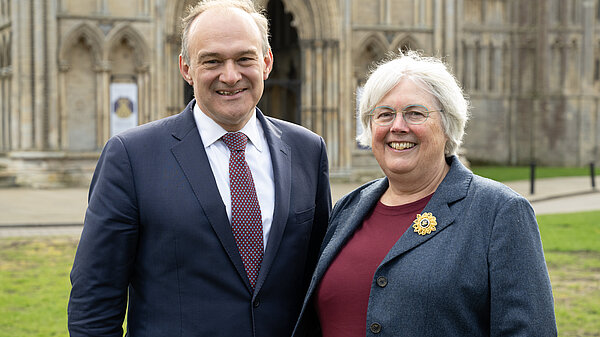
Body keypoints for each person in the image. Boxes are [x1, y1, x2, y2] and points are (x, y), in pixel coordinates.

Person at [68, 0, 331, 336]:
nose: (231, 75)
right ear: (186, 68)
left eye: (244, 58)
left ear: (266, 62)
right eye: (212, 61)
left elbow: (320, 282)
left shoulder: (307, 150)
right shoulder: (131, 157)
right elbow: (94, 301)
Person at [292, 51, 557, 337]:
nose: (397, 126)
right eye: (384, 114)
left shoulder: (499, 212)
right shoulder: (348, 208)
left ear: (448, 124)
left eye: (415, 113)